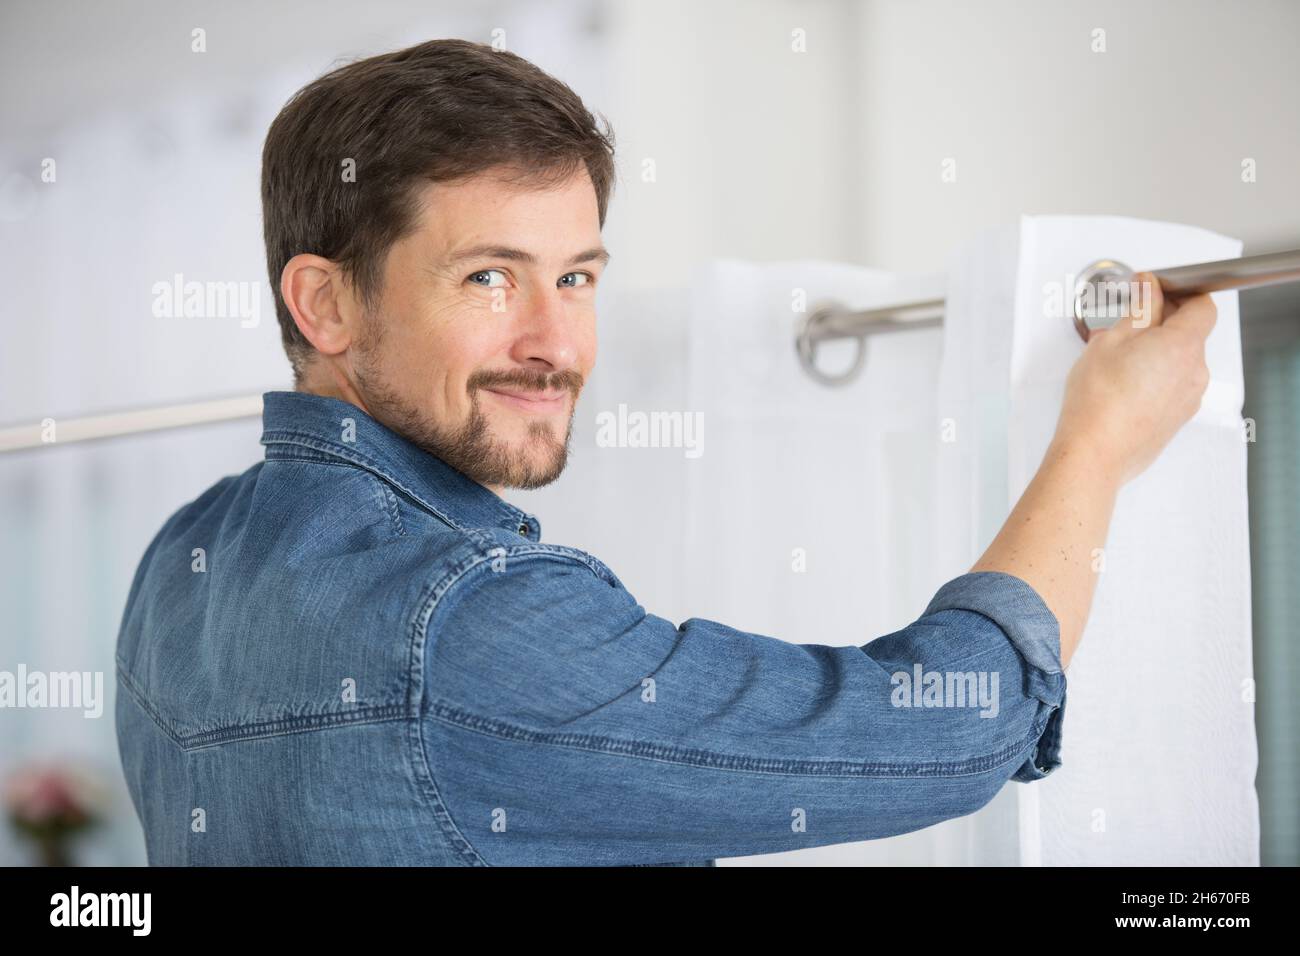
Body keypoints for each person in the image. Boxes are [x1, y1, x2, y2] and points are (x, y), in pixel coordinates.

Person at [114, 38, 1217, 866]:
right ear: (326, 303)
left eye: (579, 275)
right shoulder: (469, 620)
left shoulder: (181, 563)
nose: (556, 342)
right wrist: (1097, 442)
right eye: (489, 276)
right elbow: (953, 726)